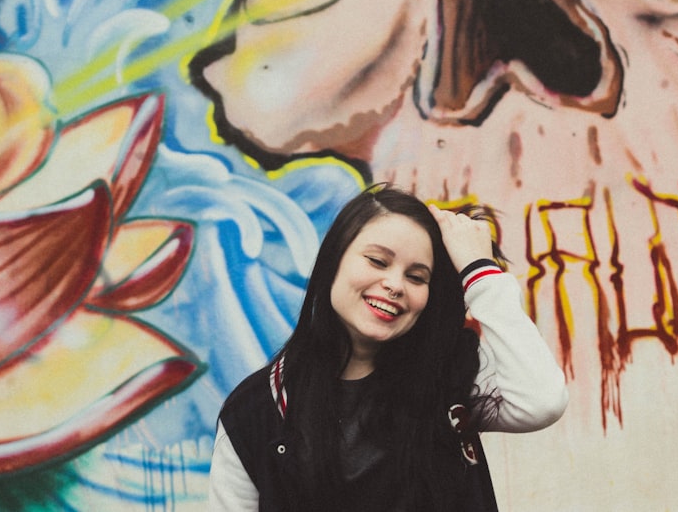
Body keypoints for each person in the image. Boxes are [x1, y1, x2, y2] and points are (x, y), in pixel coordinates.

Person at [208, 184, 568, 511]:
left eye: (416, 277)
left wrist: (480, 273)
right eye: (377, 261)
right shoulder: (255, 412)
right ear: (334, 262)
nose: (394, 284)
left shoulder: (450, 375)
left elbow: (542, 400)